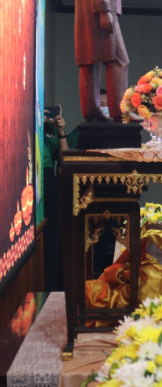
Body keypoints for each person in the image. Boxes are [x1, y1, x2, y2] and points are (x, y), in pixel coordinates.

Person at [42, 105, 78, 291]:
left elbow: (64, 159)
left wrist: (61, 131)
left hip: (49, 179)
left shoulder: (49, 128)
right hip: (31, 176)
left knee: (53, 233)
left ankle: (54, 284)